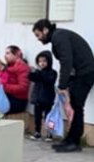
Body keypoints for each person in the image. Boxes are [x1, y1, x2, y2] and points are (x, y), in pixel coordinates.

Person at [33, 20, 94, 153]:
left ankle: (74, 142)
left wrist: (62, 84)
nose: (38, 39)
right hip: (80, 74)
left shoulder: (59, 37)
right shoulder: (59, 36)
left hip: (84, 74)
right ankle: (70, 139)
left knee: (77, 106)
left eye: (38, 35)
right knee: (75, 105)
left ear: (45, 30)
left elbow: (66, 61)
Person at [28, 51, 57, 141]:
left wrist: (40, 73)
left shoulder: (52, 72)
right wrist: (31, 72)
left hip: (47, 99)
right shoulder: (38, 72)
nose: (42, 63)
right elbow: (32, 78)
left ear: (49, 61)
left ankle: (50, 133)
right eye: (40, 61)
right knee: (37, 117)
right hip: (38, 99)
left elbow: (49, 80)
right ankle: (37, 132)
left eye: (44, 61)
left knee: (49, 117)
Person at [2, 45, 30, 114]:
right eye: (5, 53)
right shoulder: (6, 67)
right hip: (8, 96)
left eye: (8, 53)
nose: (5, 56)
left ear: (17, 54)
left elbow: (23, 87)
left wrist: (4, 87)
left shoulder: (23, 67)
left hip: (18, 100)